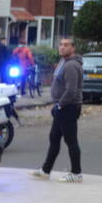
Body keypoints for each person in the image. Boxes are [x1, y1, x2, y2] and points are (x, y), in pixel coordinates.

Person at [31, 37, 84, 183]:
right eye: (60, 45)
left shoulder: (71, 65)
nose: (62, 47)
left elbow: (71, 90)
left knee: (71, 140)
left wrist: (60, 105)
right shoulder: (63, 62)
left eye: (66, 45)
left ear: (73, 48)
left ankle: (76, 173)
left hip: (68, 108)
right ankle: (45, 170)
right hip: (62, 108)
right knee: (54, 138)